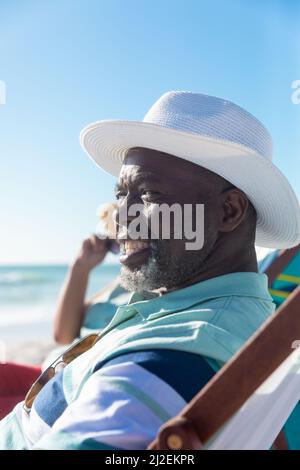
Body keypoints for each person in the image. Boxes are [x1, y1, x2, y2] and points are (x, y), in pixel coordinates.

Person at [1, 91, 299, 450]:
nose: (121, 217)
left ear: (229, 212)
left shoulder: (172, 357)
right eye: (121, 195)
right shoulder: (199, 308)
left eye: (148, 195)